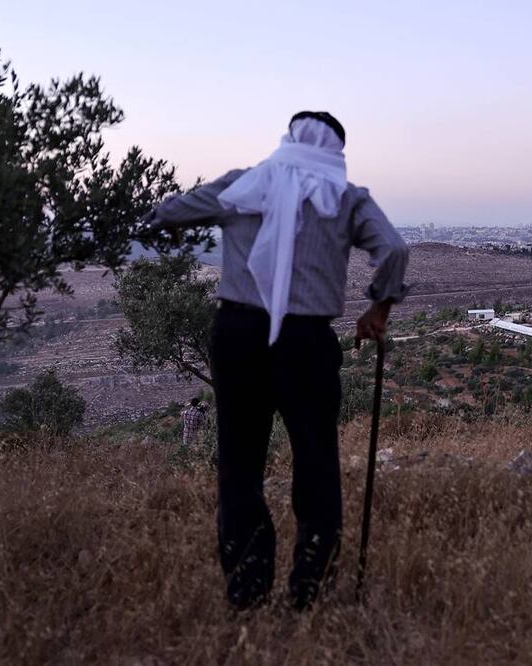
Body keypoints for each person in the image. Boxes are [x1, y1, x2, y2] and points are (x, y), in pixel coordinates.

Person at [145, 111, 409, 611]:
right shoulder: (346, 198)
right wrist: (378, 310)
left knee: (239, 465)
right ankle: (309, 590)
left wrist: (175, 229)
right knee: (317, 462)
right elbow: (393, 250)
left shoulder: (244, 185)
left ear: (287, 139)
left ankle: (247, 591)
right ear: (336, 152)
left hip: (238, 337)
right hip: (306, 343)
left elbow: (168, 212)